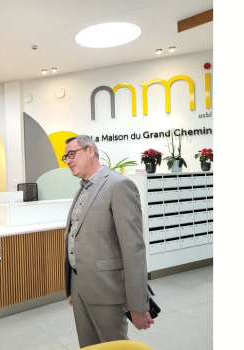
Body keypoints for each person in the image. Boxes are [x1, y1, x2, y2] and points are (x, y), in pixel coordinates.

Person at [61, 135, 153, 347]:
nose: (68, 160)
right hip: (80, 287)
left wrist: (138, 304)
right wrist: (73, 287)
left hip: (107, 291)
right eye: (66, 157)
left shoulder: (119, 185)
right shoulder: (82, 189)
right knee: (89, 346)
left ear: (90, 151)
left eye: (72, 154)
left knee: (113, 345)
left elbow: (133, 249)